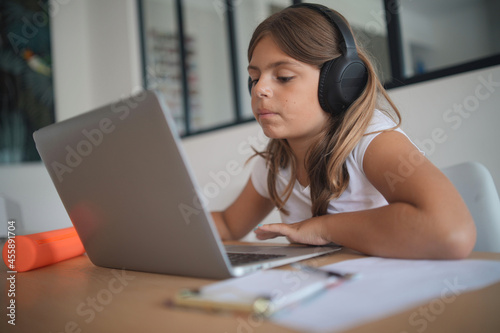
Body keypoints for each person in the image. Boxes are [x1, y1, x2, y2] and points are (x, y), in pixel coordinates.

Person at [211, 3, 476, 259]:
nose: (259, 89)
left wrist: (323, 227)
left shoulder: (371, 141)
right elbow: (228, 224)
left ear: (340, 82)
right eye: (255, 78)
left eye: (283, 77)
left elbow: (452, 232)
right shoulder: (276, 161)